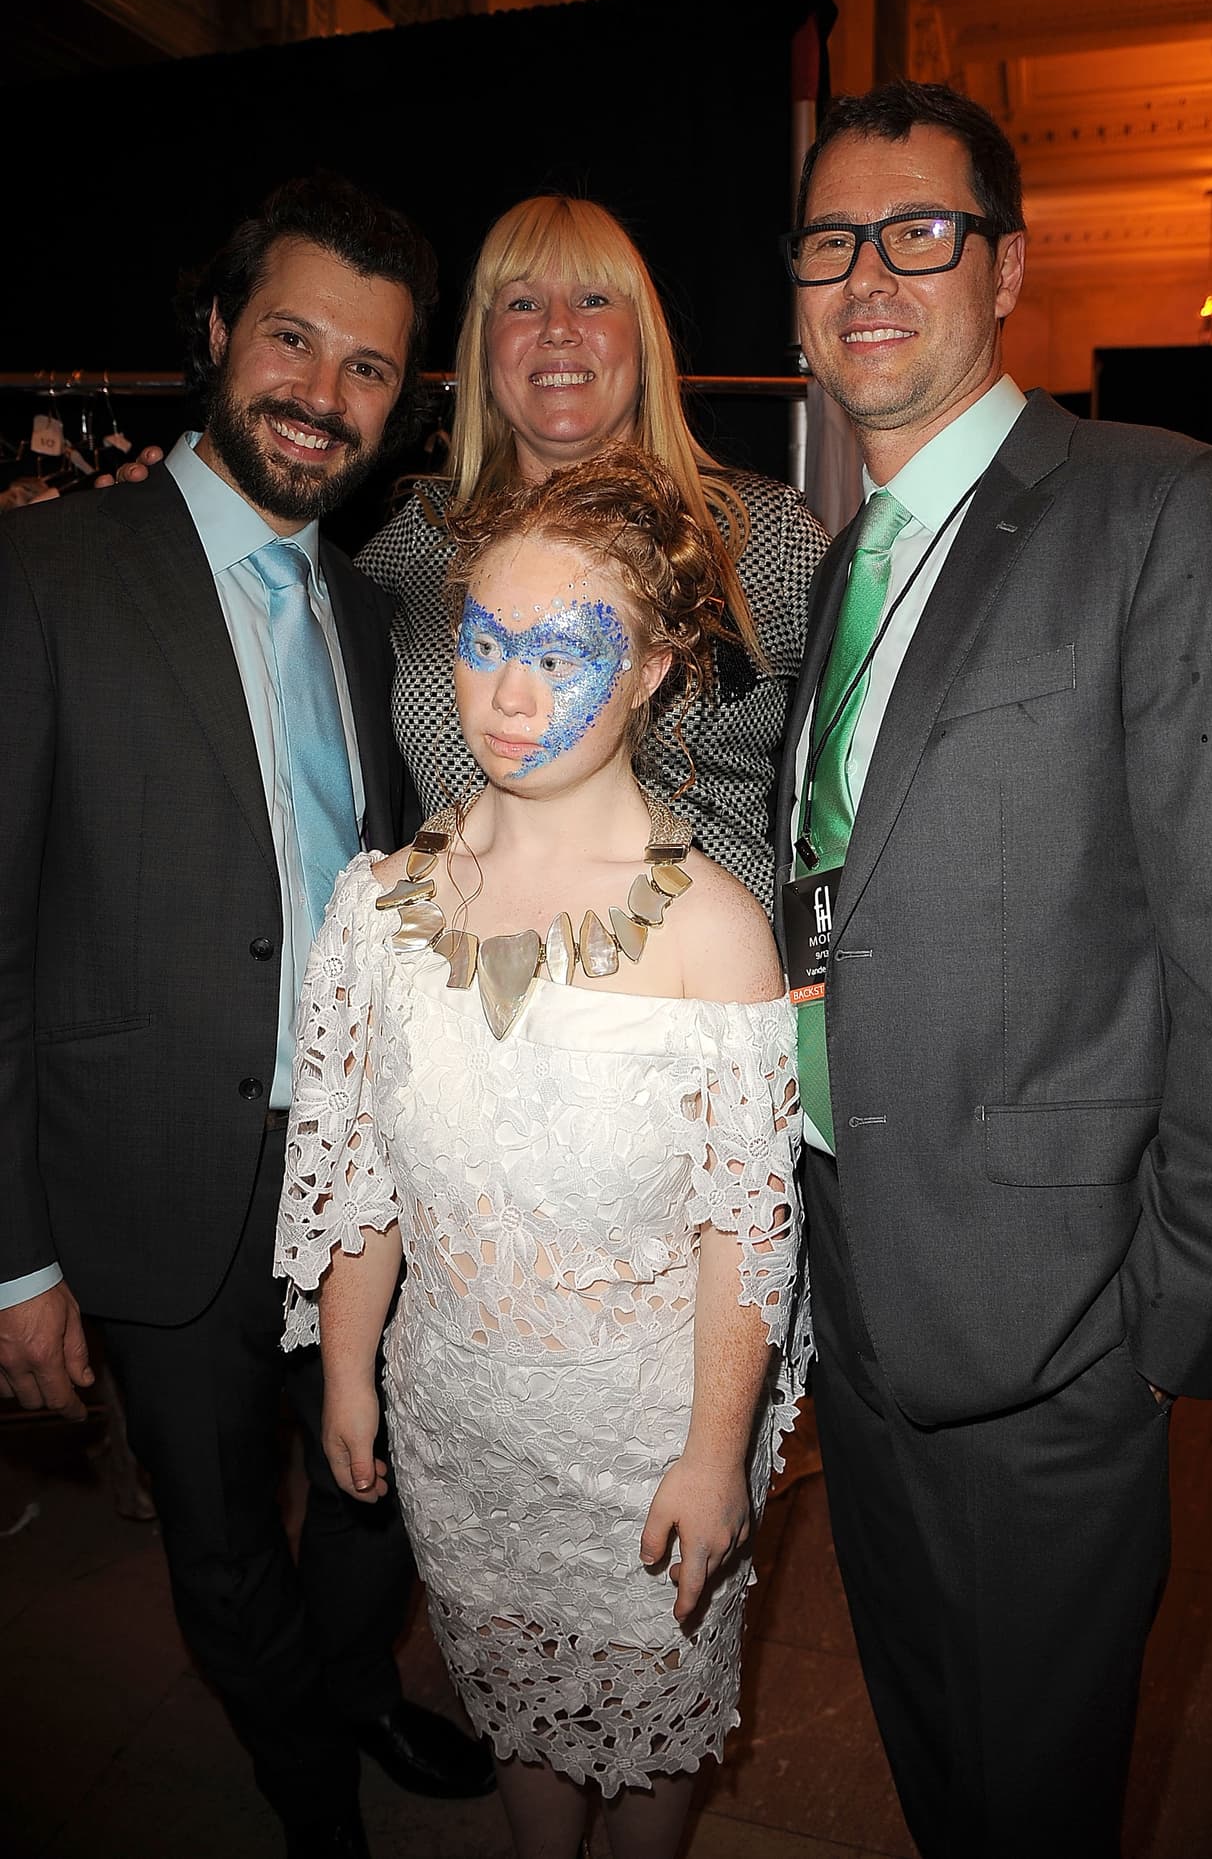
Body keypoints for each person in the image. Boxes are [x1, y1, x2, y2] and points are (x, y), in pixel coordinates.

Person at [774, 80, 1212, 1859]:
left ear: (1008, 268)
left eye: (921, 232)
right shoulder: (842, 562)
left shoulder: (1168, 509)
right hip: (859, 1286)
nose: (870, 276)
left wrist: (1183, 1317)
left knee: (1044, 1796)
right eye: (832, 241)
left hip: (1065, 1322)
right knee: (931, 1750)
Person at [0, 174, 493, 1857]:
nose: (323, 393)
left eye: (367, 368)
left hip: (359, 1167)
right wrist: (15, 1253)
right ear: (214, 336)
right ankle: (306, 1787)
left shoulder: (366, 608)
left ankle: (346, 1679)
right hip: (154, 1176)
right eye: (291, 338)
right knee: (219, 1543)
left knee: (389, 1485)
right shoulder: (47, 571)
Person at [275, 445, 810, 1859]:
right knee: (514, 1710)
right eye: (484, 642)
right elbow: (354, 1170)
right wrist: (345, 1367)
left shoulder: (713, 932)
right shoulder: (380, 907)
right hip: (459, 1432)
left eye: (564, 651)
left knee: (643, 1757)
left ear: (651, 669)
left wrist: (713, 1451)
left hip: (644, 1446)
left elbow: (746, 1228)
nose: (509, 692)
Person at [356, 193, 830, 910]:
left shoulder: (767, 538)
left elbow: (861, 789)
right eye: (521, 304)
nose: (557, 330)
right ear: (483, 347)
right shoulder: (409, 553)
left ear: (643, 337)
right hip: (475, 994)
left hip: (706, 991)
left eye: (592, 298)